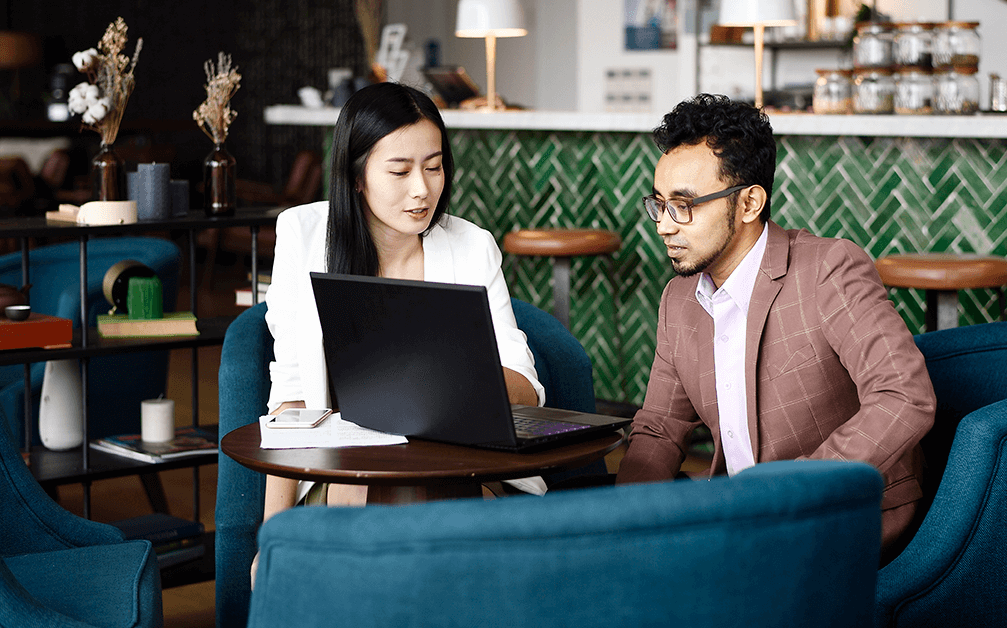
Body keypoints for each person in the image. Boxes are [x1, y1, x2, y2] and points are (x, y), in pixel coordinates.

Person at [616, 94, 935, 554]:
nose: (665, 225)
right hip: (744, 522)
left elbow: (905, 397)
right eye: (658, 204)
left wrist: (787, 491)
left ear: (748, 203)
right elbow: (661, 428)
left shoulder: (828, 269)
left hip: (843, 518)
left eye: (683, 205)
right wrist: (622, 527)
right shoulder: (679, 298)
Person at [258, 83, 545, 543]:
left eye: (434, 168)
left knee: (434, 503)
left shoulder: (472, 246)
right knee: (371, 496)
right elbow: (290, 398)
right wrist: (269, 542)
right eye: (399, 171)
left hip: (460, 468)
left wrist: (466, 374)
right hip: (346, 471)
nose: (422, 190)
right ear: (356, 175)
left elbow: (526, 389)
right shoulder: (302, 235)